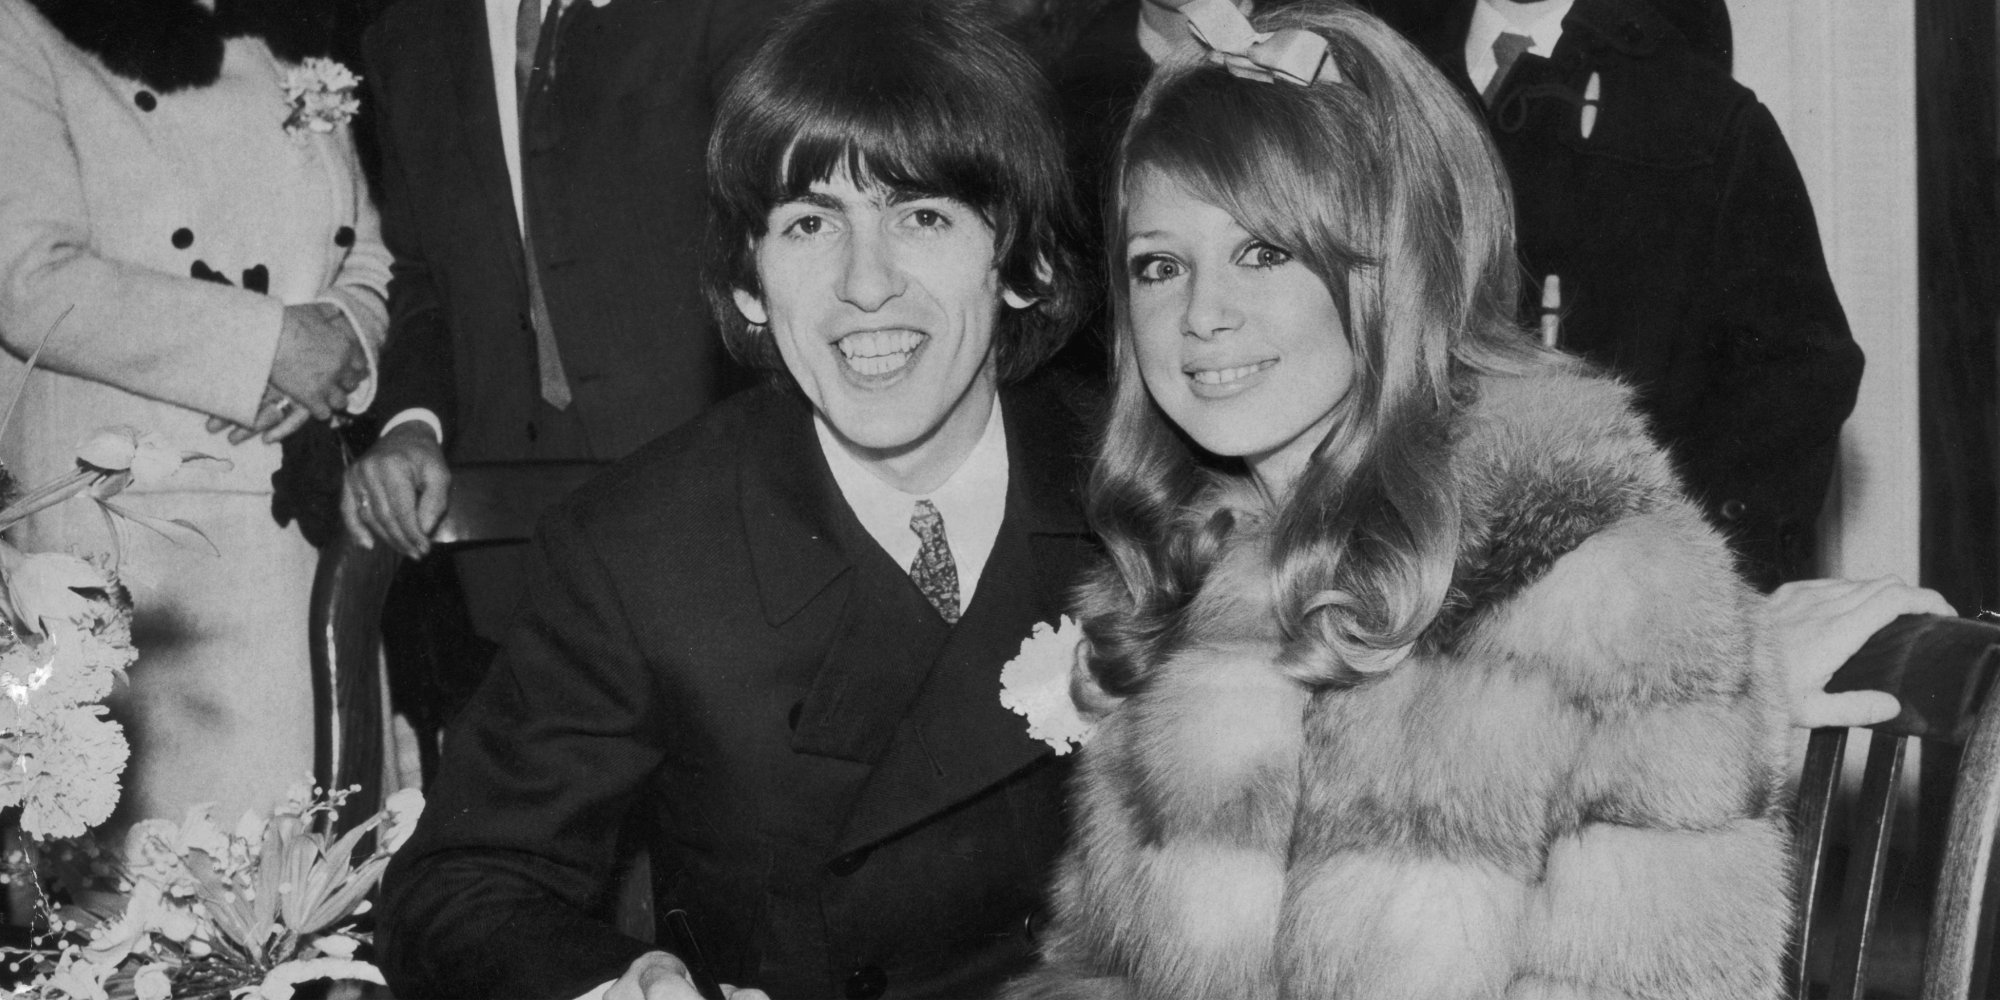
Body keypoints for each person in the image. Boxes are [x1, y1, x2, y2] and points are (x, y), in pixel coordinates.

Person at [1006, 3, 1793, 996]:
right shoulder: (1196, 573)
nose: (1200, 315)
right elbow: (1099, 970)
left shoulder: (1597, 585)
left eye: (1263, 251)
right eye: (1158, 266)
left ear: (1398, 263)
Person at [375, 1, 1092, 997]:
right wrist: (623, 984)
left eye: (921, 215)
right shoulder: (644, 549)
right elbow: (454, 887)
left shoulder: (1139, 493)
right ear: (750, 285)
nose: (864, 283)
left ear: (1019, 262)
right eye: (808, 224)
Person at [0, 0, 386, 823]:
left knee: (314, 897)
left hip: (301, 526)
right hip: (137, 542)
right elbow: (30, 279)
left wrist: (344, 336)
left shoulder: (283, 26)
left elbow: (368, 252)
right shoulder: (22, 27)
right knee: (153, 905)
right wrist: (266, 346)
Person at [1398, 0, 1861, 589]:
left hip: (1619, 592)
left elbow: (1798, 375)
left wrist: (1692, 568)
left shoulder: (1703, 117)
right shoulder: (1357, 79)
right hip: (1395, 573)